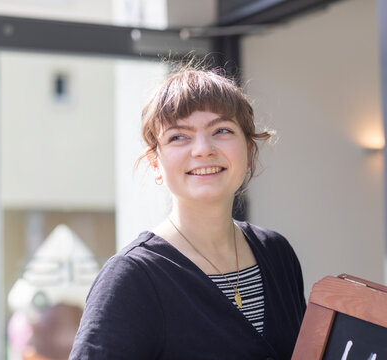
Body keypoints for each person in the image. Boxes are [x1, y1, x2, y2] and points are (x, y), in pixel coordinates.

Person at [69, 63, 306, 359]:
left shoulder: (277, 254)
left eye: (222, 130)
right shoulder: (133, 278)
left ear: (249, 151)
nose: (203, 149)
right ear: (156, 162)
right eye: (178, 137)